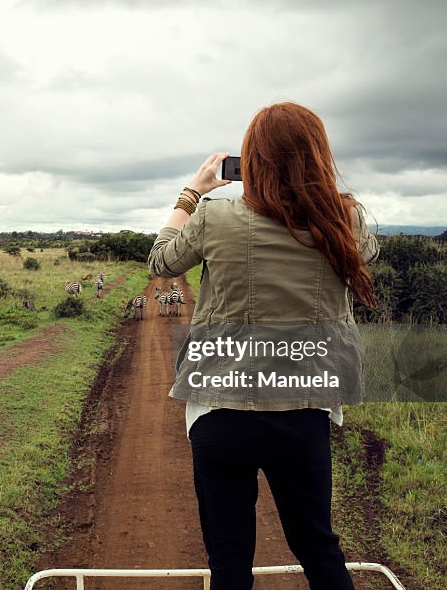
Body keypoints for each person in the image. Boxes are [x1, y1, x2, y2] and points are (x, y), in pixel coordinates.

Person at [149, 102, 379, 589]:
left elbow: (162, 263)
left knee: (229, 558)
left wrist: (191, 194)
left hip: (220, 409)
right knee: (318, 547)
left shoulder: (215, 217)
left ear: (251, 161)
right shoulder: (346, 219)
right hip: (303, 409)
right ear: (317, 155)